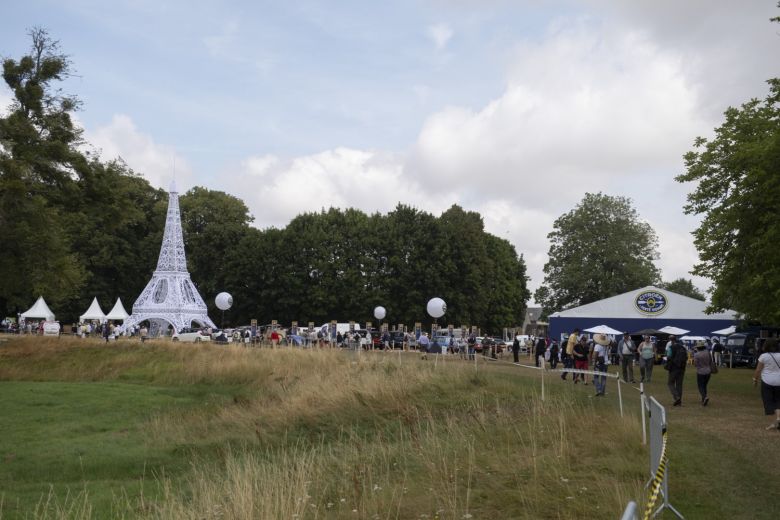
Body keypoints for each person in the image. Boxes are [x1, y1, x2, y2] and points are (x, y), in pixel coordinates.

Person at [753, 338, 780, 430]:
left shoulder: (764, 356)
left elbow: (758, 370)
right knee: (778, 401)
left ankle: (775, 422)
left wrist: (755, 379)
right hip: (779, 381)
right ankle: (778, 419)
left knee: (768, 402)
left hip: (767, 381)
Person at [665, 335, 688, 406]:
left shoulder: (671, 347)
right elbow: (686, 357)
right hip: (682, 368)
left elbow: (668, 356)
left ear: (671, 341)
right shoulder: (683, 348)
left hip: (674, 368)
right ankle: (679, 402)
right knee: (679, 385)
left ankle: (676, 397)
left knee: (670, 383)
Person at [693, 340, 715, 406]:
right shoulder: (708, 352)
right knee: (704, 385)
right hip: (708, 371)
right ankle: (703, 399)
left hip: (700, 372)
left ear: (698, 348)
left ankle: (705, 397)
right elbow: (710, 361)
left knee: (700, 386)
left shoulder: (696, 354)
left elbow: (695, 364)